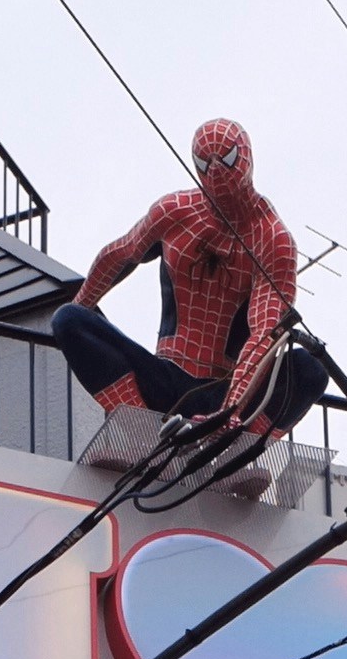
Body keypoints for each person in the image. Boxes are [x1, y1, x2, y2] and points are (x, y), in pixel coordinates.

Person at [47, 121, 325, 455]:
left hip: (224, 388)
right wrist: (82, 305)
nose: (217, 174)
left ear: (246, 157)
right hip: (165, 375)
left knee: (310, 369)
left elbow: (264, 330)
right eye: (205, 164)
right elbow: (119, 254)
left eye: (227, 160)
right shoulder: (176, 212)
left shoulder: (272, 238)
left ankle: (235, 453)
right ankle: (141, 434)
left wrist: (229, 410)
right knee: (69, 320)